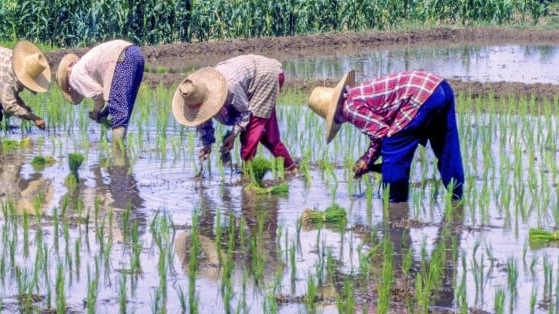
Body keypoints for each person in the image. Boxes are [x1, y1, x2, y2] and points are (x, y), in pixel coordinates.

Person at [308, 70, 464, 203]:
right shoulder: (356, 94)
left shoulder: (349, 107)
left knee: (393, 146)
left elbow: (381, 134)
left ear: (336, 114)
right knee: (447, 149)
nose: (341, 122)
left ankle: (395, 203)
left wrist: (366, 160)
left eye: (336, 121)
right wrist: (370, 162)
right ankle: (457, 196)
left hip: (420, 96)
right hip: (440, 87)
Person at [171, 54, 297, 171]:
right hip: (250, 78)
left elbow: (244, 113)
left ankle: (248, 176)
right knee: (267, 135)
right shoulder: (199, 92)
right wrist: (207, 145)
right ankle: (290, 168)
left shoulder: (227, 89)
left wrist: (233, 135)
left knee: (250, 134)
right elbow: (204, 120)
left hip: (265, 76)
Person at [56, 40, 145, 146]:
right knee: (124, 108)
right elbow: (114, 98)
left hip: (120, 59)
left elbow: (98, 96)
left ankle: (118, 154)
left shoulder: (74, 75)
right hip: (135, 53)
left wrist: (95, 113)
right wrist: (105, 113)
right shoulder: (85, 64)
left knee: (120, 114)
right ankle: (121, 149)